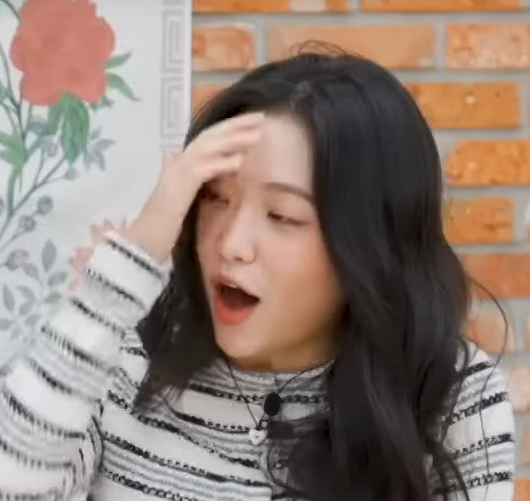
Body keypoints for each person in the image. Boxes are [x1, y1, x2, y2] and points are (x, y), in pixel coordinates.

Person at [0, 49, 515, 501]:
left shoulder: (450, 397)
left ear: (369, 245)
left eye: (282, 217)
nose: (231, 244)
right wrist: (134, 254)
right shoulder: (124, 370)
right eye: (214, 198)